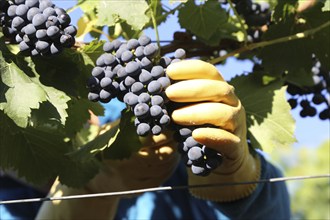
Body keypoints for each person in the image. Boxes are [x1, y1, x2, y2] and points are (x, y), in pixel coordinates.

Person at [35, 60, 291, 219]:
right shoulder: (10, 198)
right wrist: (89, 190)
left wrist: (243, 186)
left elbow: (276, 210)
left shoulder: (129, 108)